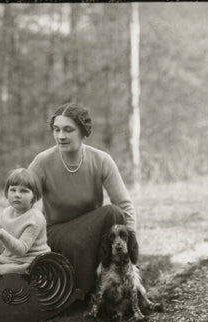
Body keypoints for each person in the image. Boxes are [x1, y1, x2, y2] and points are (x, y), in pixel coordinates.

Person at [27, 102, 137, 297]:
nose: (61, 136)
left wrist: (131, 245)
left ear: (83, 131)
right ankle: (81, 291)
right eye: (56, 129)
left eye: (68, 130)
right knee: (75, 242)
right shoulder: (42, 162)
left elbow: (124, 205)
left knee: (114, 213)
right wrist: (5, 241)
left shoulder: (101, 160)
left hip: (92, 231)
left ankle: (116, 280)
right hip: (58, 235)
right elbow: (21, 204)